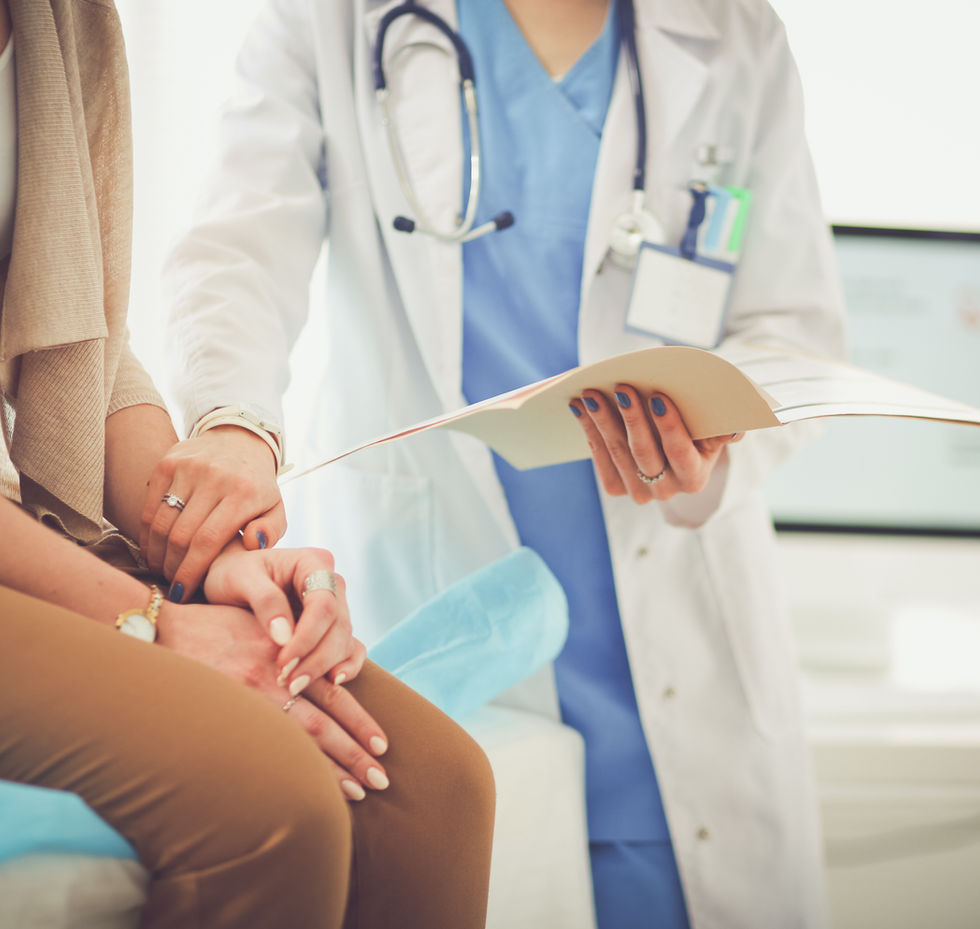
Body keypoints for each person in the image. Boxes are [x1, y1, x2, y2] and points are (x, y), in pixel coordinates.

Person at [159, 0, 847, 926]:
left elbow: (795, 327)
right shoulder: (333, 18)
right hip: (440, 604)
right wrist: (234, 421)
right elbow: (240, 244)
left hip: (675, 657)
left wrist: (718, 434)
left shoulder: (732, 33)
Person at [0, 2, 495, 928]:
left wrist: (201, 549)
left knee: (436, 790)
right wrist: (153, 622)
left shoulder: (61, 23)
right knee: (272, 801)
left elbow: (80, 355)